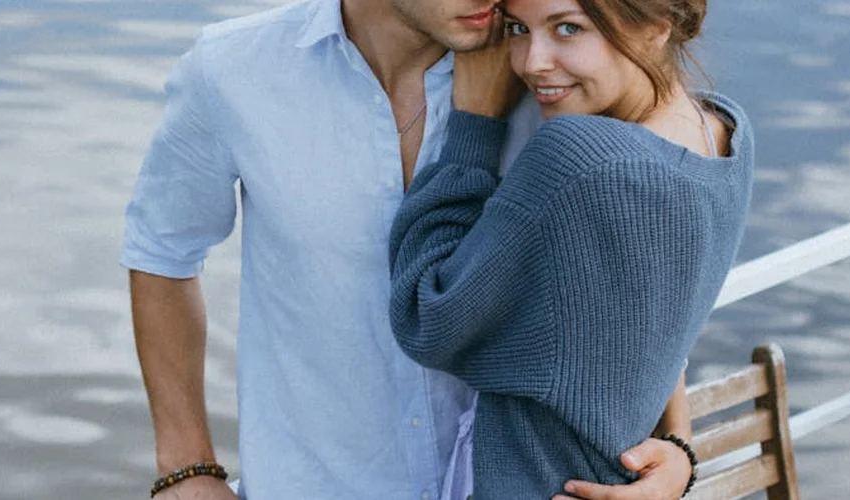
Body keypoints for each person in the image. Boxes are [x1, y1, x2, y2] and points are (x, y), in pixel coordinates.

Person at [123, 0, 699, 498]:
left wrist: (676, 444)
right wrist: (185, 466)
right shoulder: (232, 70)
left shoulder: (549, 75)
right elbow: (162, 253)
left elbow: (636, 271)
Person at [388, 0, 753, 497]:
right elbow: (655, 327)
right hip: (614, 471)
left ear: (656, 27)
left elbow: (426, 319)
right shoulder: (724, 133)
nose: (530, 61)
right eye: (518, 28)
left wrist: (473, 124)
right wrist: (679, 449)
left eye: (568, 28)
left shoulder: (576, 157)